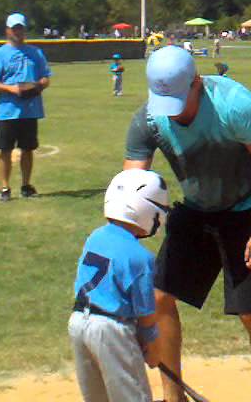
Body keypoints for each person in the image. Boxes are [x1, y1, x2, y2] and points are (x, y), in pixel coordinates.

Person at [123, 45, 251, 402]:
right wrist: (122, 247)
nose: (175, 111)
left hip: (248, 210)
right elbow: (131, 187)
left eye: (182, 99)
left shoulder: (233, 104)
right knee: (157, 297)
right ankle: (173, 397)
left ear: (197, 82)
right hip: (197, 210)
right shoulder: (150, 119)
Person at [69, 169, 169, 402]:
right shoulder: (140, 258)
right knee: (133, 395)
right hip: (111, 330)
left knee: (97, 397)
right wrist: (152, 347)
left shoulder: (95, 236)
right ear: (147, 210)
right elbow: (146, 315)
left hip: (78, 323)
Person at [0, 13, 51, 202]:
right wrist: (11, 88)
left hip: (30, 109)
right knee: (5, 150)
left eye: (20, 28)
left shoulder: (36, 53)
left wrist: (38, 86)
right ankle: (5, 187)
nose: (18, 32)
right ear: (7, 30)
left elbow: (46, 77)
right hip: (7, 111)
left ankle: (26, 185)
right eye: (14, 28)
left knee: (27, 149)